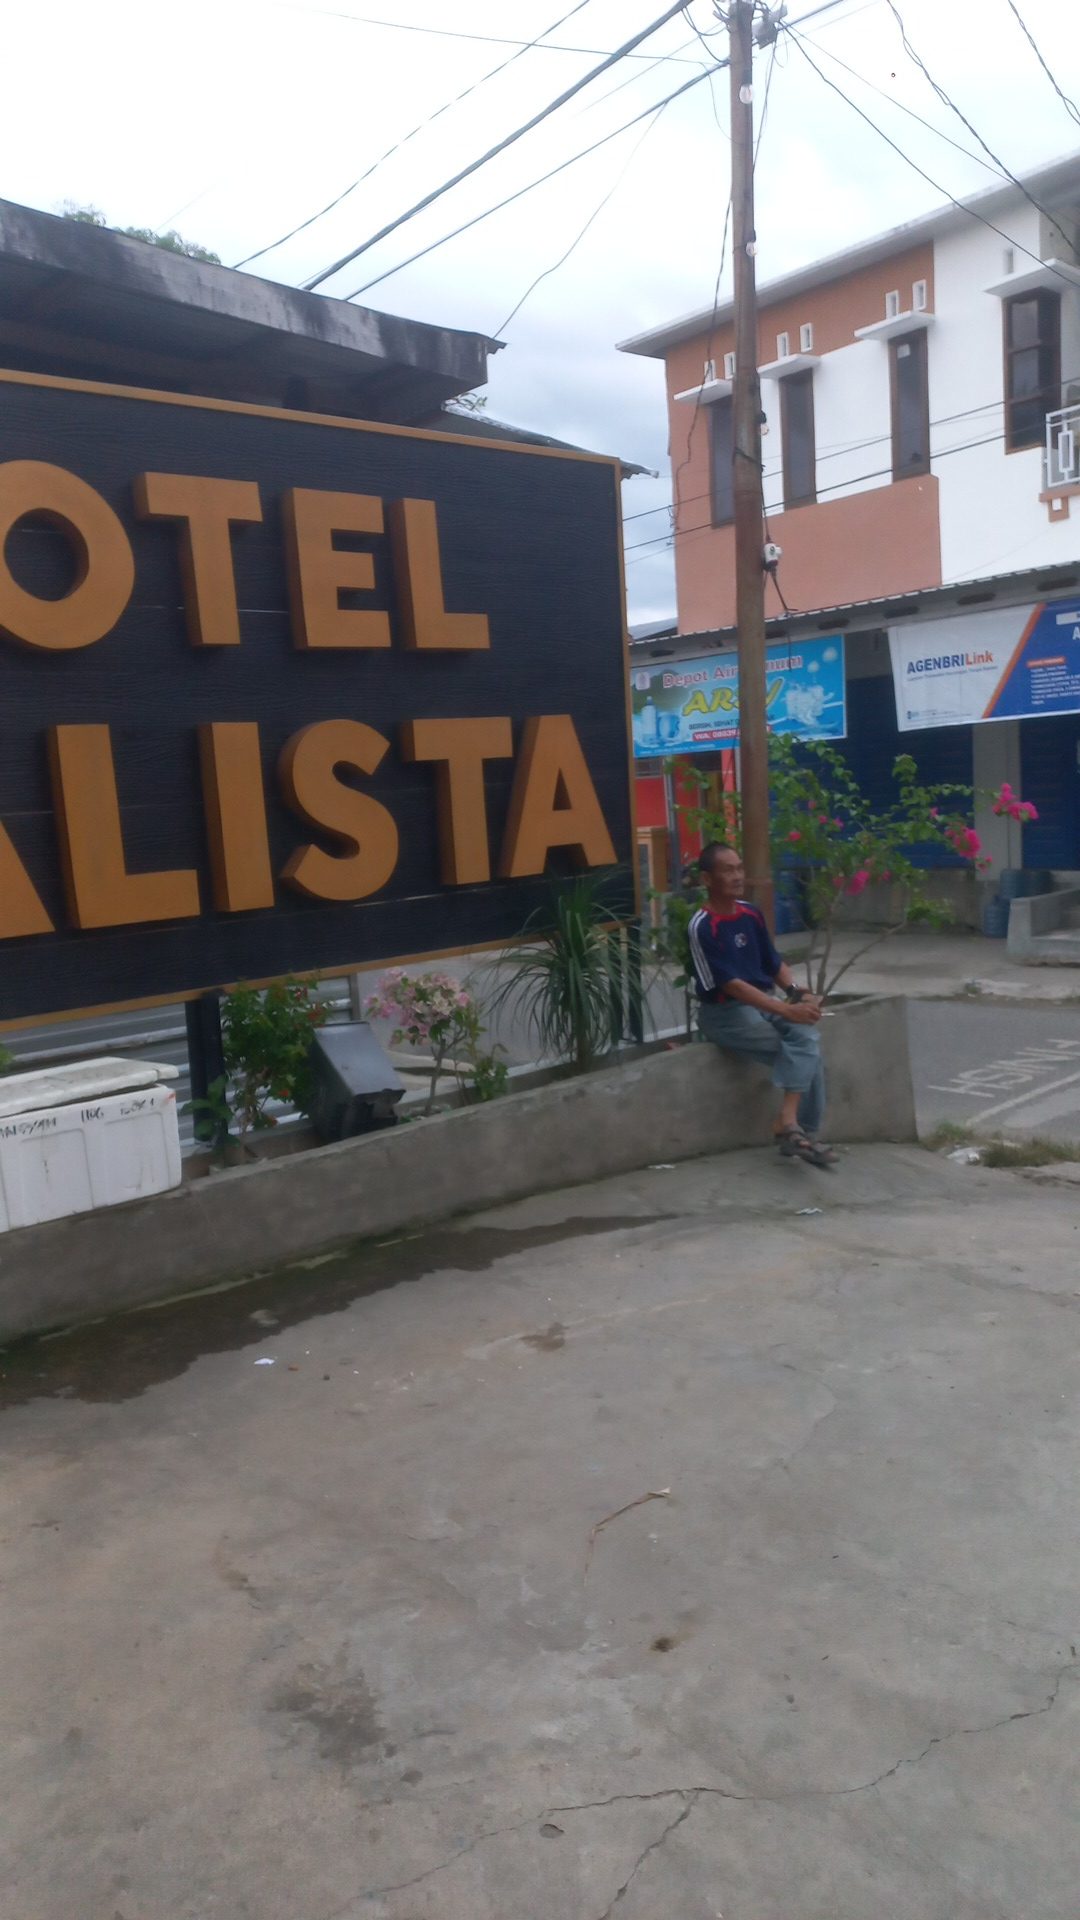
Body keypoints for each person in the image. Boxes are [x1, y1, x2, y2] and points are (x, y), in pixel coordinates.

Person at [688, 842, 836, 1168]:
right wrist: (786, 1010)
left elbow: (773, 962)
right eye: (728, 870)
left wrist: (797, 993)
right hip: (726, 1014)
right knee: (800, 1050)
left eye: (740, 868)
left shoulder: (750, 914)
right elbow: (731, 985)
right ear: (707, 879)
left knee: (806, 1039)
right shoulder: (702, 926)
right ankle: (797, 1130)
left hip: (764, 1004)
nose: (738, 876)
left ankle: (793, 1128)